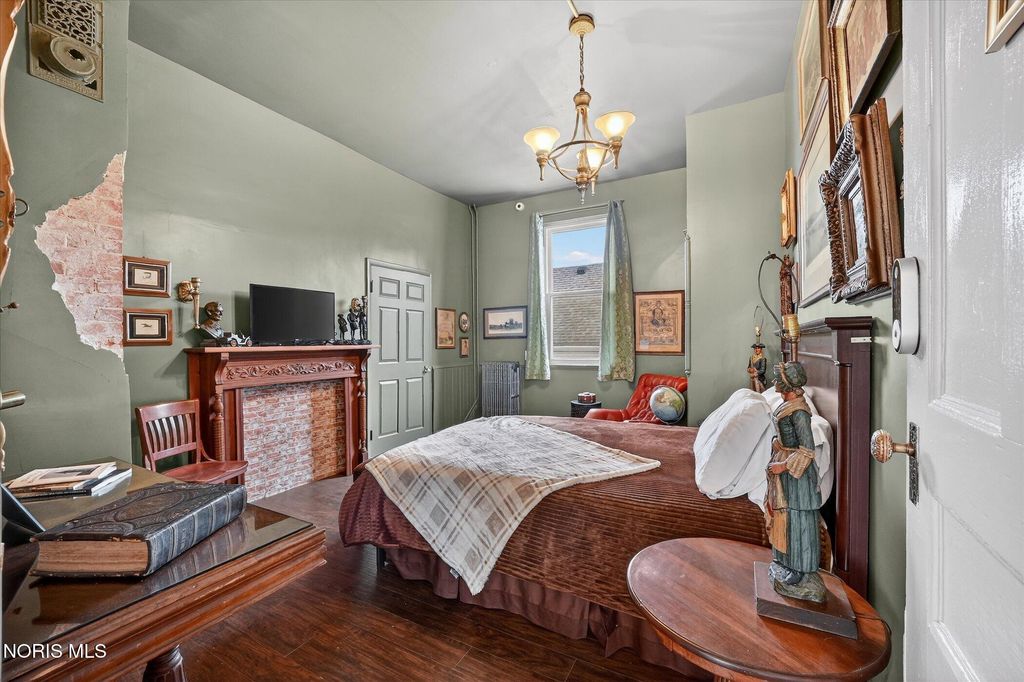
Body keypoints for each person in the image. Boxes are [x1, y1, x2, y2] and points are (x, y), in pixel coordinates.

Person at [764, 361, 825, 603]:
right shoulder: (787, 405)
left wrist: (783, 466)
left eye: (778, 379)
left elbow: (807, 450)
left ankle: (801, 571)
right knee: (786, 518)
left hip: (797, 478)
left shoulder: (799, 412)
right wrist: (777, 446)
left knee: (798, 521)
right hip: (786, 470)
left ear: (787, 383)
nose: (774, 382)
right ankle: (786, 563)